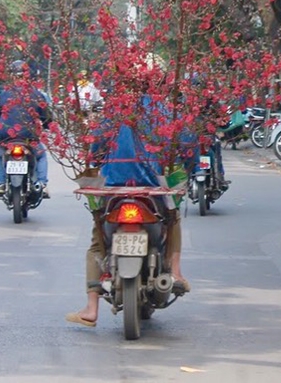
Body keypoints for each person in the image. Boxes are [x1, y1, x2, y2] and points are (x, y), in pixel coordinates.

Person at [66, 78, 191, 328]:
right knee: (173, 217)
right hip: (152, 192)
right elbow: (186, 141)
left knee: (97, 241)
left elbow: (95, 149)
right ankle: (176, 271)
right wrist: (188, 168)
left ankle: (92, 307)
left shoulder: (113, 113)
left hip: (115, 191)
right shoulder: (162, 110)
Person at [0, 60, 51, 199]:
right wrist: (47, 125)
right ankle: (42, 184)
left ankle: (1, 184)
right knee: (41, 155)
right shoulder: (36, 94)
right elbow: (45, 115)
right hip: (29, 137)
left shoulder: (4, 94)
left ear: (12, 76)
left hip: (5, 137)